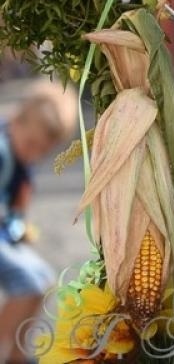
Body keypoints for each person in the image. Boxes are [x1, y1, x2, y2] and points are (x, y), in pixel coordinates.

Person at [0, 85, 75, 363]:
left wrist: (17, 228)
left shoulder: (18, 154)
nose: (33, 154)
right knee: (27, 281)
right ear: (17, 120)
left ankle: (17, 355)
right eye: (31, 145)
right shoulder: (3, 151)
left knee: (43, 278)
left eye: (41, 151)